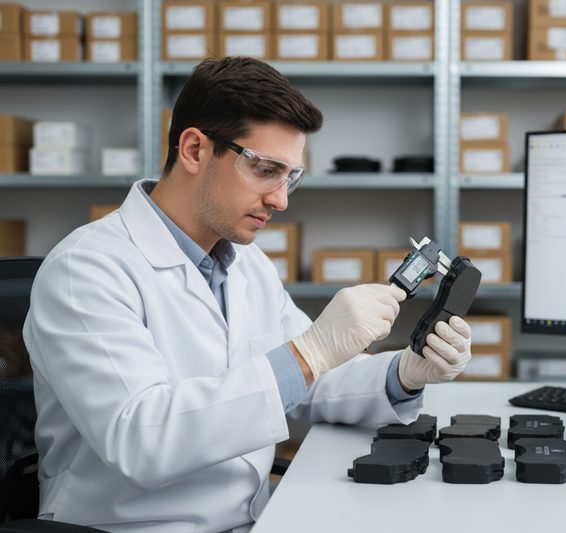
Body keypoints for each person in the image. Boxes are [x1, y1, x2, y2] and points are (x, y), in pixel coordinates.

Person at [23, 57, 472, 532]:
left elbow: (308, 383)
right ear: (194, 150)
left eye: (290, 177)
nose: (281, 200)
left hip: (252, 519)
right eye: (265, 170)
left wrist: (404, 373)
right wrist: (309, 351)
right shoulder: (86, 270)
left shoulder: (245, 263)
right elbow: (141, 438)